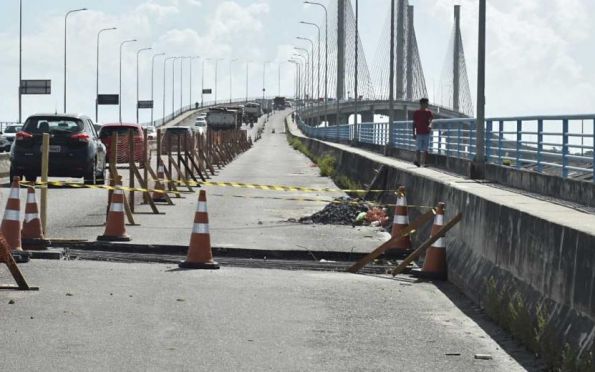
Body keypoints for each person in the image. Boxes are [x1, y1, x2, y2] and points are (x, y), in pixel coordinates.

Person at [412, 98, 433, 167]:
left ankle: (425, 163)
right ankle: (418, 162)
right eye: (426, 103)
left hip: (426, 133)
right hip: (419, 133)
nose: (427, 104)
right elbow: (414, 123)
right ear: (422, 104)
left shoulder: (429, 112)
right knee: (418, 148)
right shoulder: (416, 113)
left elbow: (431, 121)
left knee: (426, 149)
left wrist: (430, 126)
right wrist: (413, 133)